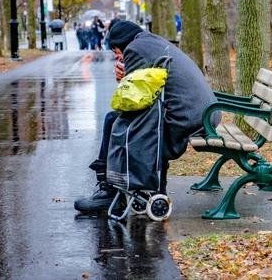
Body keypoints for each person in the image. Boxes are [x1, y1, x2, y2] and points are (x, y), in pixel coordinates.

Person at [74, 20, 220, 213]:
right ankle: (118, 188)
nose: (116, 55)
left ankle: (108, 192)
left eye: (115, 50)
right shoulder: (149, 41)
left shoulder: (135, 49)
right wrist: (127, 77)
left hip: (187, 119)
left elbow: (134, 100)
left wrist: (123, 80)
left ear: (121, 43)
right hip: (204, 113)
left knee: (113, 120)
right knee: (115, 119)